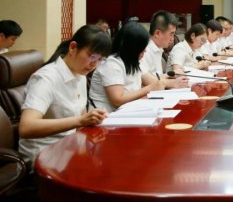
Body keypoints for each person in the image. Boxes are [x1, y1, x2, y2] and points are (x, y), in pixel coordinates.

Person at [18, 25, 111, 162]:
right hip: (43, 154)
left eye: (100, 60)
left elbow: (81, 120)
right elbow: (26, 127)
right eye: (92, 57)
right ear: (73, 48)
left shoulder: (80, 75)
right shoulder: (46, 78)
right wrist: (80, 120)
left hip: (70, 147)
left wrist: (92, 119)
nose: (94, 64)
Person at [89, 22, 166, 113]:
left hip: (127, 113)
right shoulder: (111, 64)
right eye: (142, 47)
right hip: (106, 117)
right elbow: (117, 101)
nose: (145, 50)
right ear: (132, 48)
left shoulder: (132, 62)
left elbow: (137, 92)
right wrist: (149, 89)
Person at [140, 10, 188, 88]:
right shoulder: (145, 51)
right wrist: (173, 83)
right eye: (171, 34)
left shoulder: (158, 49)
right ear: (157, 33)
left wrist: (171, 75)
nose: (173, 38)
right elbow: (146, 80)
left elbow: (157, 77)